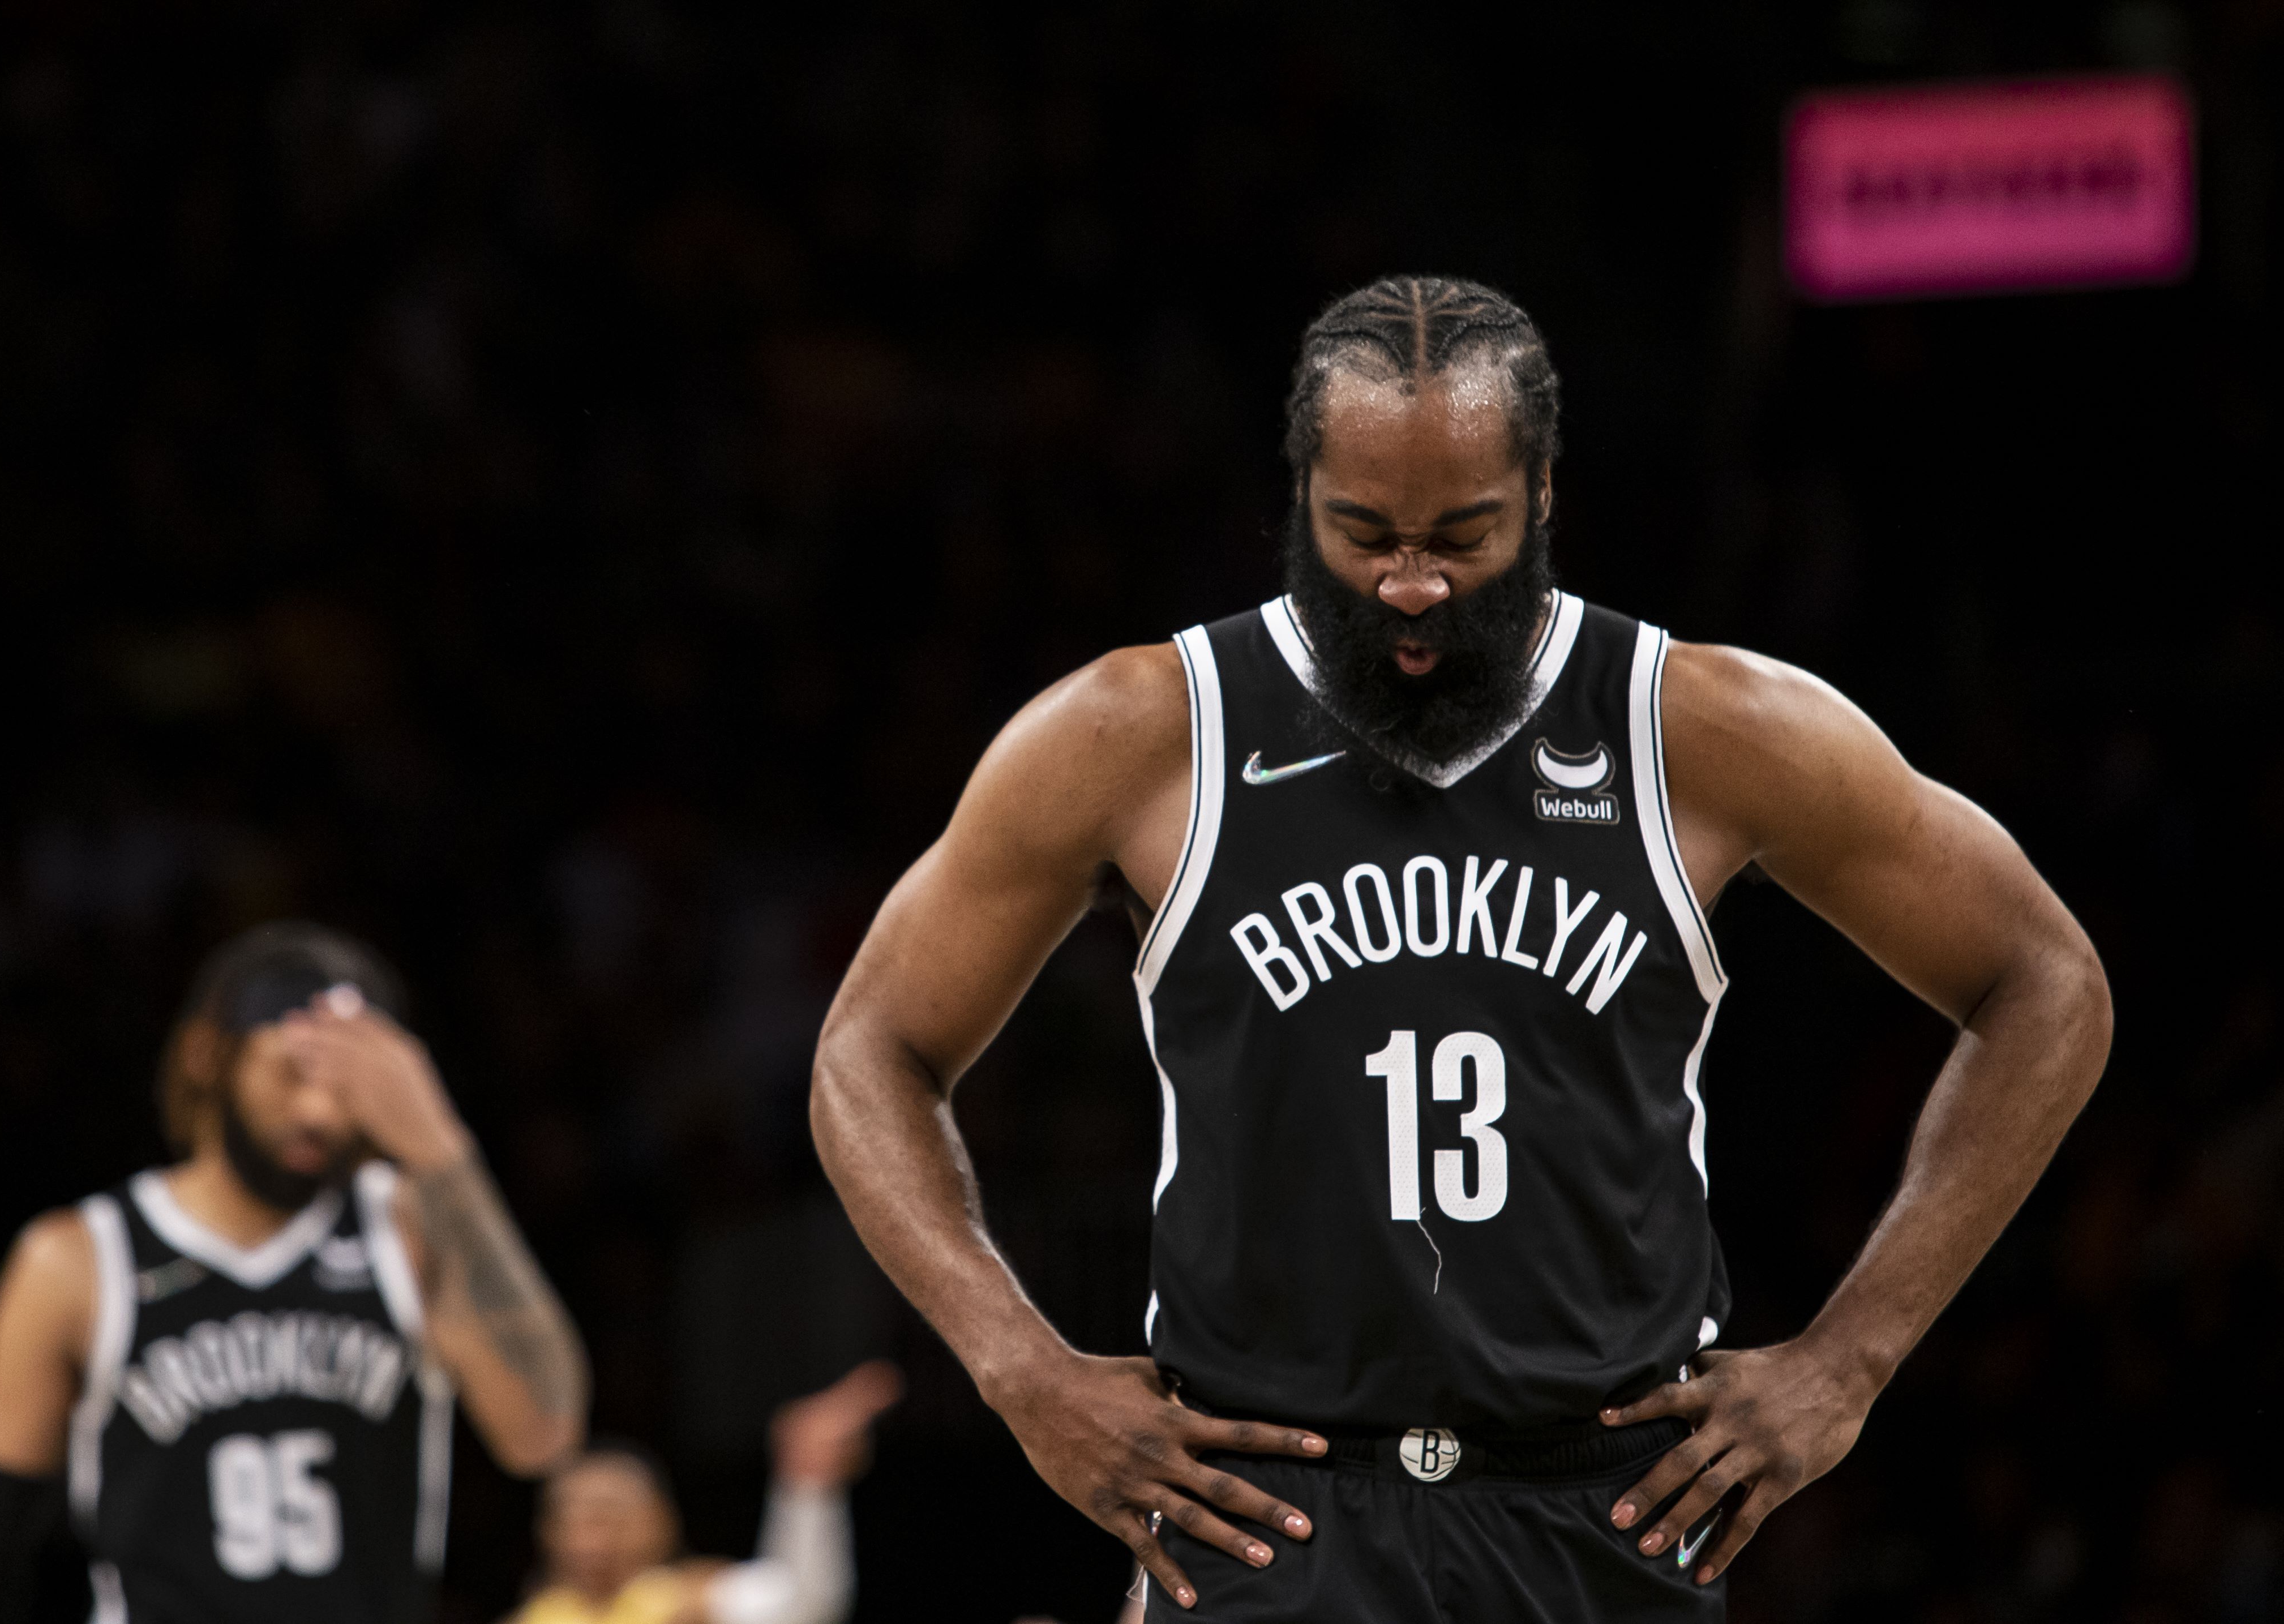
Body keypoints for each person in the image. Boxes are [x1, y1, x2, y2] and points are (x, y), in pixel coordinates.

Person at [809, 276, 2113, 1619]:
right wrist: (1018, 1367)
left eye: (1460, 537)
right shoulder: (1141, 729)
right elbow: (868, 1047)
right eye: (1359, 532)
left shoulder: (1701, 726)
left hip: (1602, 1507)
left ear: (1542, 495)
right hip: (1266, 1513)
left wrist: (1850, 1356)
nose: (1410, 584)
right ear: (1297, 489)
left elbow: (2044, 981)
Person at [0, 920, 591, 1623]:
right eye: (292, 1073)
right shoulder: (80, 1259)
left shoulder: (408, 1230)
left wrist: (442, 1150)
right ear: (208, 1054)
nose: (320, 1112)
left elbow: (545, 1432)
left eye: (349, 1089)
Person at [508, 1359, 902, 1624]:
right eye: (568, 1515)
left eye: (608, 1513)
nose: (586, 1535)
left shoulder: (682, 1602)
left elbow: (802, 1604)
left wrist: (807, 1486)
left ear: (658, 1522)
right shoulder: (537, 1615)